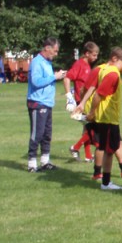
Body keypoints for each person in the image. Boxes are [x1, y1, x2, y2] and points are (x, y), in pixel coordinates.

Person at [87, 49, 122, 190]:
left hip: (108, 118)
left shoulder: (107, 70)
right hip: (108, 118)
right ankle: (106, 183)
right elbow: (98, 94)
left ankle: (107, 180)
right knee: (109, 151)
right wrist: (92, 112)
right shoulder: (113, 74)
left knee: (109, 149)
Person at [26, 37, 66, 172]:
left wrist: (57, 76)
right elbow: (36, 81)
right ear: (47, 48)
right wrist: (54, 77)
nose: (56, 54)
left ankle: (45, 161)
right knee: (37, 133)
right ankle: (32, 163)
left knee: (47, 134)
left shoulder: (47, 62)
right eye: (55, 51)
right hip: (37, 102)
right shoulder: (37, 62)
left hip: (47, 103)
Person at [64, 41, 99, 162]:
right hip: (82, 101)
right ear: (87, 53)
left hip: (87, 100)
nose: (96, 57)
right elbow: (67, 78)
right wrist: (69, 97)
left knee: (87, 128)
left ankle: (88, 156)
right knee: (91, 127)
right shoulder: (79, 64)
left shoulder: (87, 65)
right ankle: (75, 147)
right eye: (94, 55)